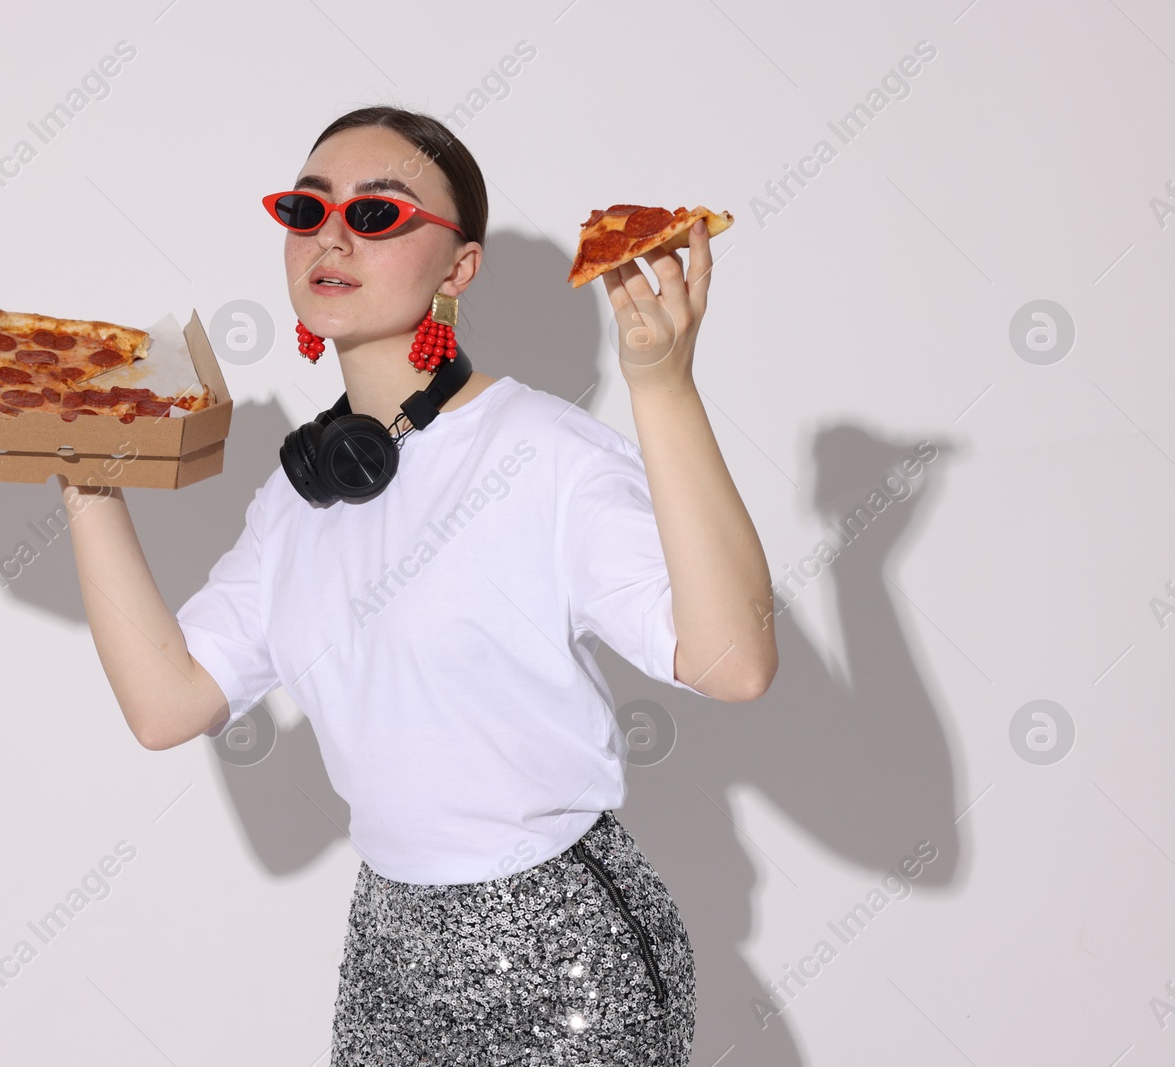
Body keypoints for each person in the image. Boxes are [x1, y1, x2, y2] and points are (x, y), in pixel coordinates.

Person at [58, 105, 777, 1065]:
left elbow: (734, 665)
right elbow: (166, 700)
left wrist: (662, 386)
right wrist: (84, 478)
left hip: (562, 950)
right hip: (389, 946)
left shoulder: (543, 453)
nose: (331, 234)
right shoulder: (297, 498)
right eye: (307, 209)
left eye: (379, 215)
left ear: (459, 266)